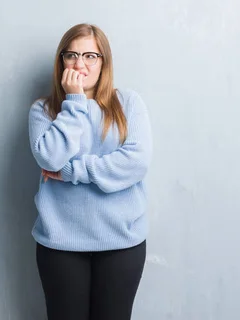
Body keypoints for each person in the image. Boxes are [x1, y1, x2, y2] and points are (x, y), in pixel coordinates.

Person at [28, 23, 153, 320]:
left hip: (121, 243)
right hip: (60, 245)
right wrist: (74, 103)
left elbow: (136, 162)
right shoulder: (43, 110)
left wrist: (75, 171)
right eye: (71, 55)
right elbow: (49, 158)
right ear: (61, 61)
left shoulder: (129, 104)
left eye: (89, 56)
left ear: (103, 62)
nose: (79, 64)